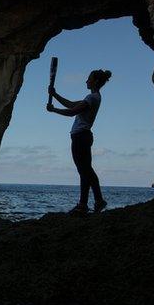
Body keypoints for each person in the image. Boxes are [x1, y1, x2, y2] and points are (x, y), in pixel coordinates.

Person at [46, 69, 111, 214]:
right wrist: (54, 94)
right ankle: (85, 203)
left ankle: (95, 201)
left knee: (85, 170)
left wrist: (54, 110)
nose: (86, 81)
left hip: (81, 137)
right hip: (82, 136)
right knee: (85, 170)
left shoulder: (92, 97)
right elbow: (70, 104)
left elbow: (72, 112)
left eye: (89, 79)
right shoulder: (92, 97)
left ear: (95, 81)